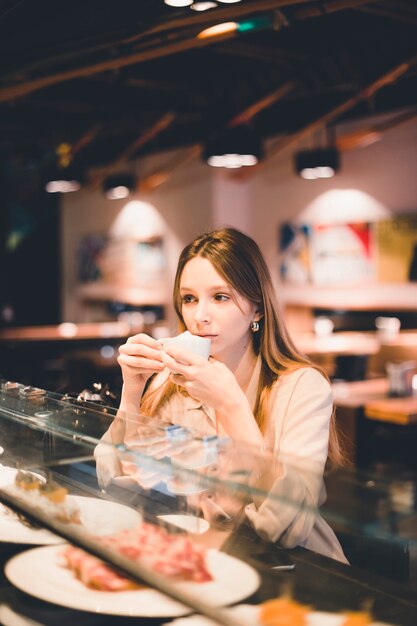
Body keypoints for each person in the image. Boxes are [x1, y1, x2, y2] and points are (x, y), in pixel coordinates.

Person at [95, 227, 347, 563]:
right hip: (210, 556)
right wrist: (132, 391)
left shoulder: (303, 387)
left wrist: (231, 406)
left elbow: (287, 531)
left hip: (299, 570)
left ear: (257, 310)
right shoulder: (173, 380)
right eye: (189, 299)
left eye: (220, 297)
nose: (200, 316)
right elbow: (116, 481)